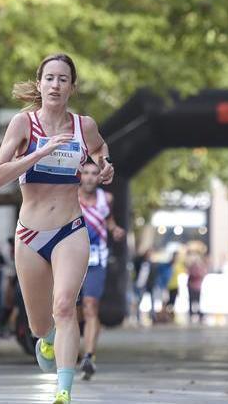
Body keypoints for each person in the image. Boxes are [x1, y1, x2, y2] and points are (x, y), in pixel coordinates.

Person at [0, 53, 113, 404]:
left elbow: (100, 148)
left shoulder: (83, 126)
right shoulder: (23, 124)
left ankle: (63, 390)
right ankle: (45, 339)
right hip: (29, 235)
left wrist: (105, 165)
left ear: (72, 87)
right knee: (40, 325)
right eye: (49, 78)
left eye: (63, 79)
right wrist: (36, 155)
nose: (55, 85)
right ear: (40, 83)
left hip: (70, 230)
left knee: (65, 307)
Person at [76, 160, 123, 379]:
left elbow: (109, 220)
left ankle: (89, 356)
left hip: (97, 259)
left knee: (90, 307)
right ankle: (68, 353)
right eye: (85, 173)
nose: (89, 177)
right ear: (80, 175)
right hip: (72, 259)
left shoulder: (107, 199)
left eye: (94, 173)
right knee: (68, 309)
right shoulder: (71, 198)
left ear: (99, 177)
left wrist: (115, 230)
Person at [186, 254, 207, 323]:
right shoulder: (192, 267)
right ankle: (192, 313)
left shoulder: (200, 267)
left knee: (197, 301)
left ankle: (198, 313)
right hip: (192, 286)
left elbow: (201, 274)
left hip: (197, 286)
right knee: (192, 301)